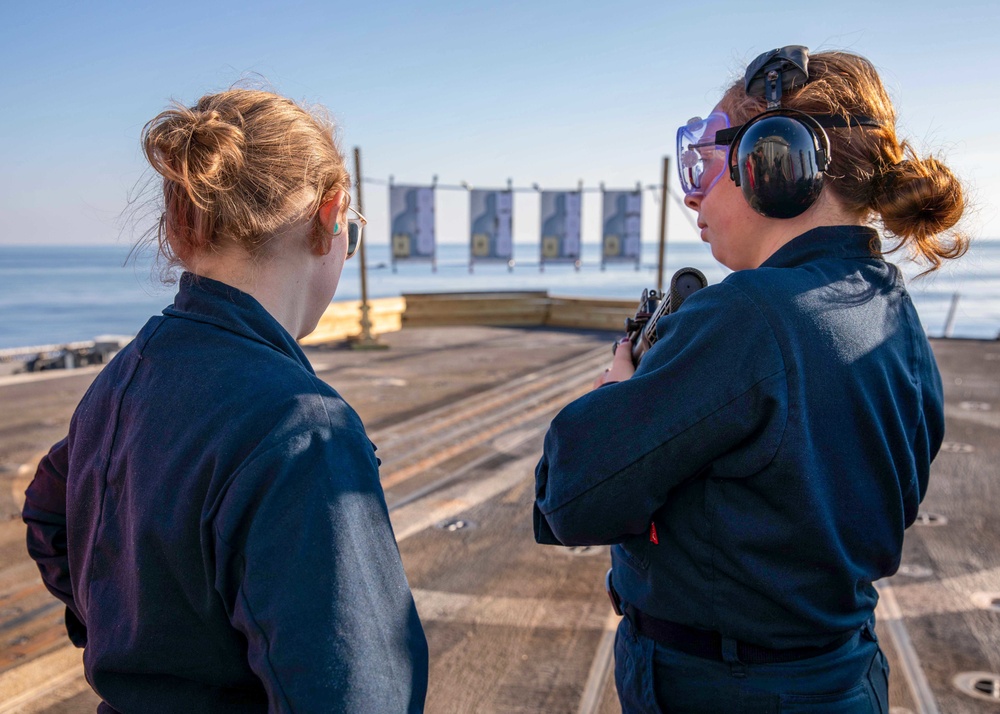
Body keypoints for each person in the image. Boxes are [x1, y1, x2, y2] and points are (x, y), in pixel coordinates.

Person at [533, 46, 966, 713]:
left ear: (773, 163)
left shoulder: (746, 315)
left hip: (724, 687)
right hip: (842, 671)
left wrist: (620, 390)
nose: (691, 192)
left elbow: (570, 497)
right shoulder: (889, 303)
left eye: (704, 165)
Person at [23, 88, 428, 713]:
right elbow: (357, 690)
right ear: (331, 215)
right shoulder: (303, 430)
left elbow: (49, 512)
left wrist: (118, 624)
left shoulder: (122, 379)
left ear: (183, 227)